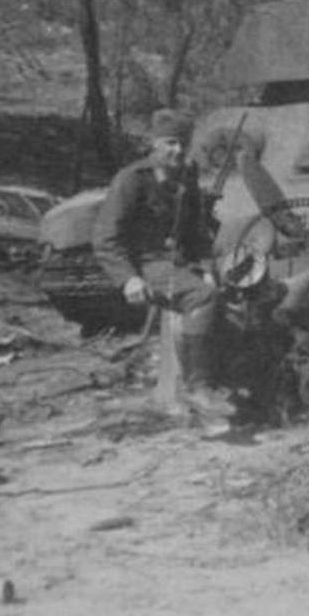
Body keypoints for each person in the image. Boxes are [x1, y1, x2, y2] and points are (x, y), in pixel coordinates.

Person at [92, 109, 228, 420]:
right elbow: (105, 237)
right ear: (154, 144)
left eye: (183, 144)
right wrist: (127, 278)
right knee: (203, 297)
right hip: (146, 264)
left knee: (233, 290)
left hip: (179, 262)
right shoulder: (132, 179)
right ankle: (198, 388)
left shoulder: (186, 176)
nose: (178, 150)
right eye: (170, 143)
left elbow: (196, 230)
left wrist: (208, 267)